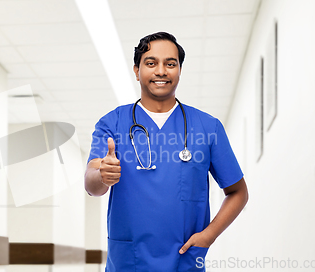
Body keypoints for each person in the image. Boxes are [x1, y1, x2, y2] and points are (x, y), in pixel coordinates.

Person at [84, 32, 249, 271]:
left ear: (179, 70)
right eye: (151, 63)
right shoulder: (112, 123)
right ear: (137, 70)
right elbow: (91, 185)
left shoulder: (208, 127)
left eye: (170, 64)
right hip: (129, 261)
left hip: (184, 260)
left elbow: (238, 192)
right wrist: (102, 175)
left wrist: (209, 235)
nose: (161, 71)